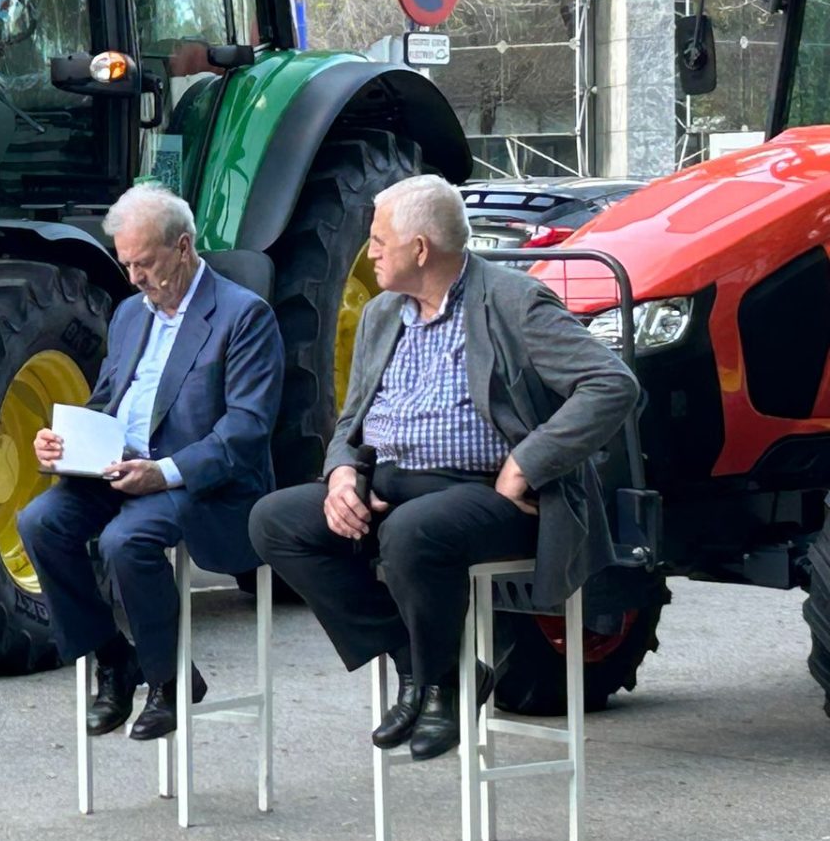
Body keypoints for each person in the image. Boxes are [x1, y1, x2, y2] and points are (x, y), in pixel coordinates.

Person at [249, 174, 638, 760]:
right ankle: (430, 669)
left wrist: (527, 463)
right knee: (275, 520)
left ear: (420, 248)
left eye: (380, 240)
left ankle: (437, 689)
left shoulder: (513, 301)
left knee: (412, 533)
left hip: (488, 495)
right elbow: (352, 421)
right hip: (390, 486)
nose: (371, 251)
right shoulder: (383, 314)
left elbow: (612, 384)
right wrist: (341, 475)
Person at [17, 186, 285, 741]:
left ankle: (169, 680)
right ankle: (113, 659)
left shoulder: (243, 315)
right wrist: (64, 442)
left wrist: (162, 473)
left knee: (125, 542)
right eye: (125, 262)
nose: (134, 276)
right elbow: (106, 403)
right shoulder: (127, 316)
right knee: (38, 523)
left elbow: (246, 429)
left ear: (183, 247)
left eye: (145, 262)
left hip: (204, 480)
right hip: (122, 470)